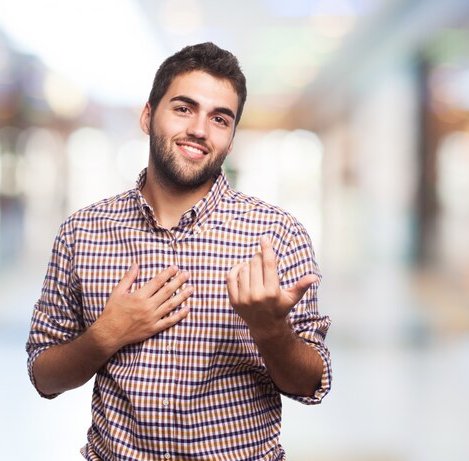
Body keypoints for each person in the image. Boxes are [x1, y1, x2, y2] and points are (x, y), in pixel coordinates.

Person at [26, 42, 332, 460]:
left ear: (231, 138)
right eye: (184, 109)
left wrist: (270, 329)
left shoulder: (277, 236)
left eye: (219, 119)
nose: (200, 130)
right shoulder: (83, 232)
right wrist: (106, 335)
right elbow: (44, 377)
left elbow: (310, 385)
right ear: (148, 115)